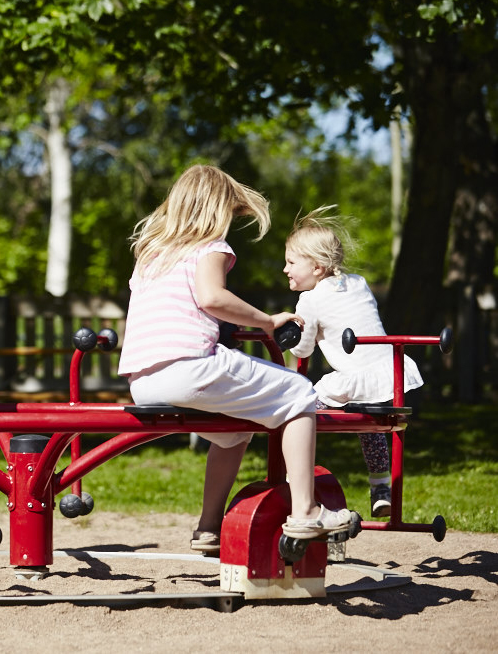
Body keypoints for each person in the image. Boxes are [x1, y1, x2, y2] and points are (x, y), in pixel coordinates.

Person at [118, 164, 352, 553]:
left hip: (143, 380)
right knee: (298, 391)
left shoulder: (152, 252)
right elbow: (212, 297)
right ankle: (306, 511)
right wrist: (265, 322)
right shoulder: (209, 247)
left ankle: (208, 527)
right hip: (188, 366)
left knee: (234, 433)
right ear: (216, 210)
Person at [284, 206, 423, 517]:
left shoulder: (310, 299)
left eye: (291, 262)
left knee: (299, 409)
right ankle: (380, 487)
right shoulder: (358, 282)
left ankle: (293, 475)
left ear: (317, 267)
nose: (285, 269)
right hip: (391, 375)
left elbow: (302, 352)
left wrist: (299, 332)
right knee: (370, 424)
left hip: (357, 379)